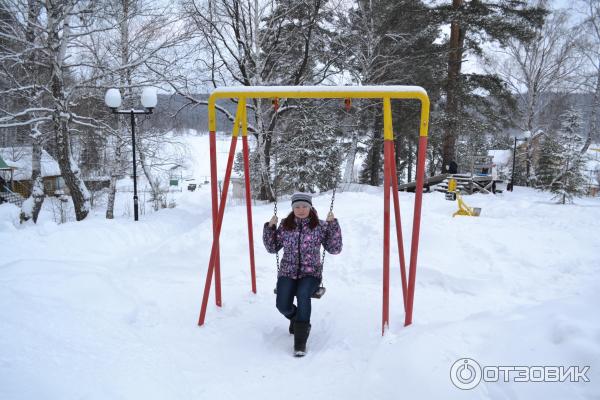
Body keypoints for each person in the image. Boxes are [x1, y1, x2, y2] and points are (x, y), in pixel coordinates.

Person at [263, 192, 342, 357]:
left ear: (310, 207)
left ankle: (300, 341)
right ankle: (296, 318)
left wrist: (333, 225)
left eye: (304, 206)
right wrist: (270, 227)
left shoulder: (320, 226)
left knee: (303, 293)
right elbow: (272, 248)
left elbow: (335, 249)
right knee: (282, 305)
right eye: (297, 206)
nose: (300, 209)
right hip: (287, 271)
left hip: (311, 272)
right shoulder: (285, 226)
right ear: (292, 208)